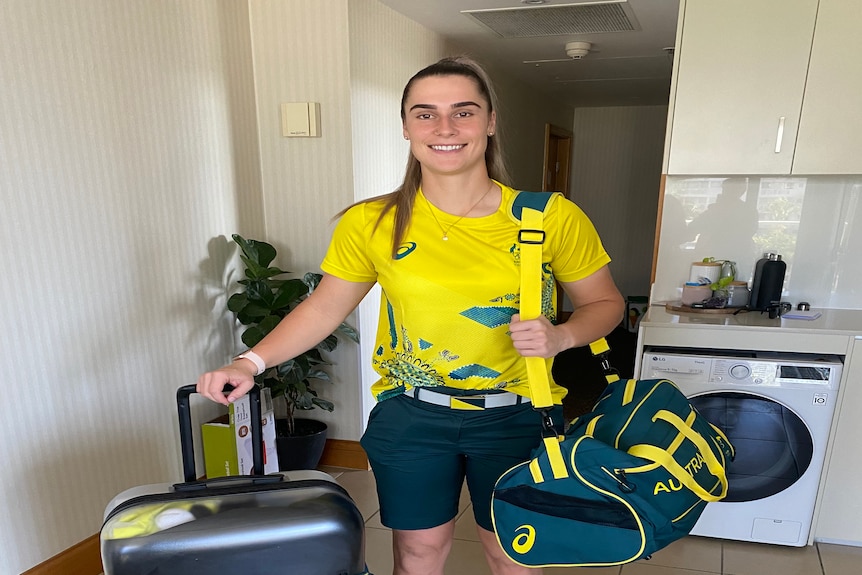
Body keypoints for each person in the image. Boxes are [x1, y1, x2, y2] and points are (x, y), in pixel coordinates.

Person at [197, 56, 624, 575]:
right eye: (425, 114)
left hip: (519, 416)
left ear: (489, 123)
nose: (445, 128)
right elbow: (326, 305)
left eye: (463, 112)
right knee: (419, 553)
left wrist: (562, 337)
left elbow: (606, 304)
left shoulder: (547, 216)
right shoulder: (371, 222)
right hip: (413, 417)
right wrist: (250, 363)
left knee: (513, 556)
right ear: (406, 126)